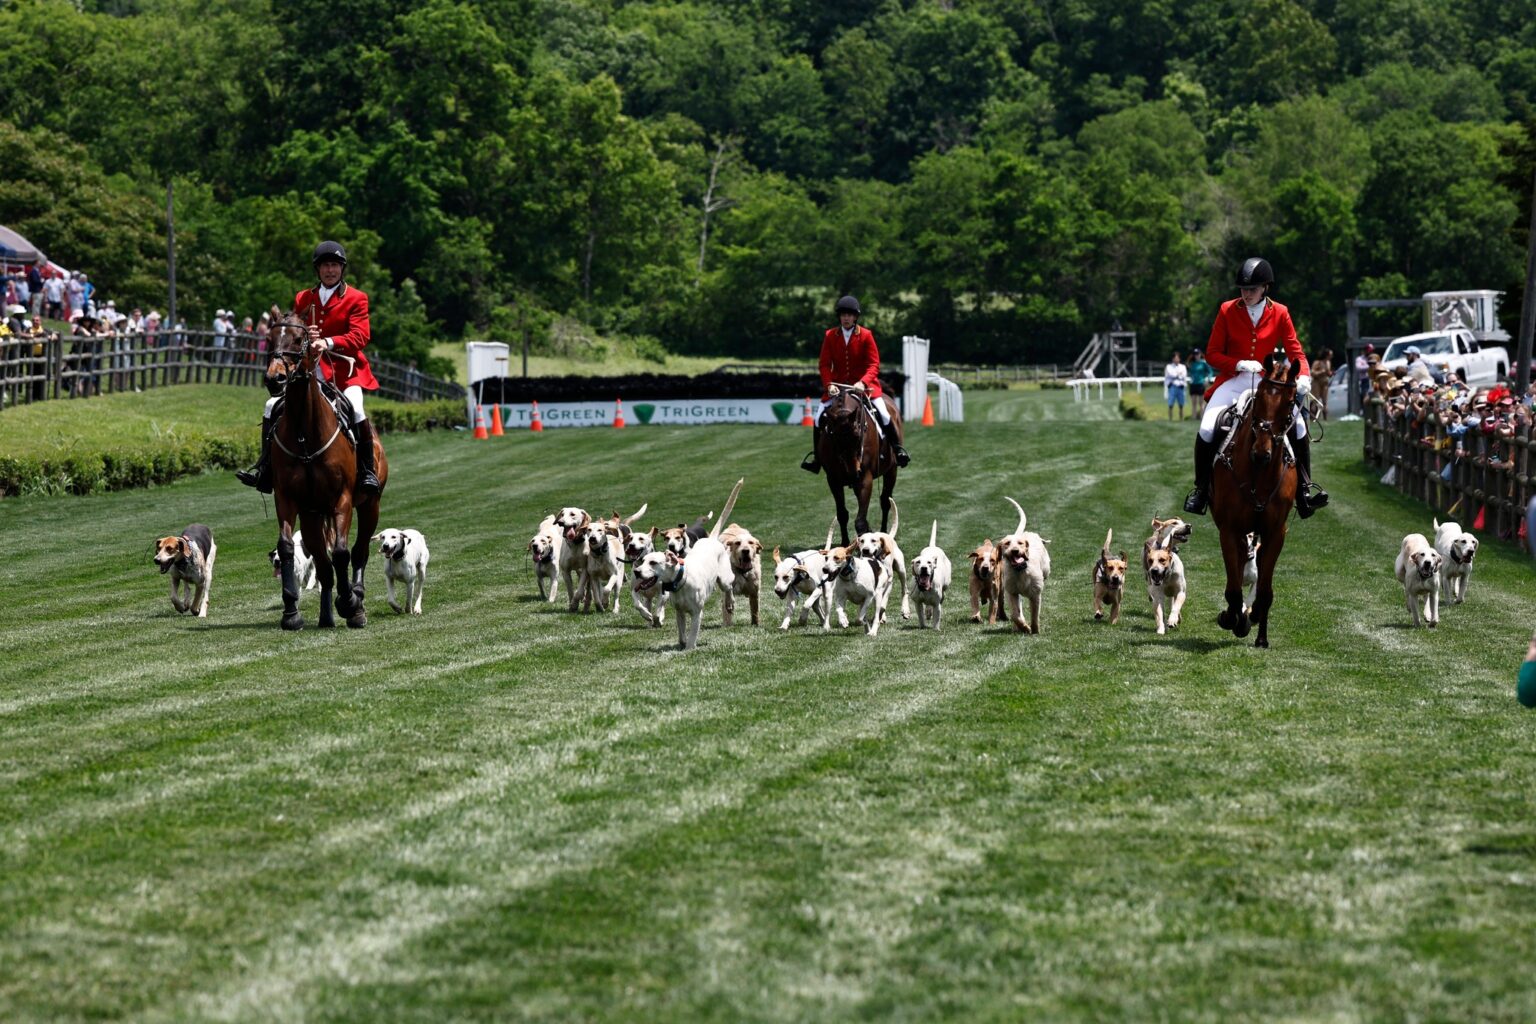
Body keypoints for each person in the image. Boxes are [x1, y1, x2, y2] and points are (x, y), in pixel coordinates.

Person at [1182, 257, 1329, 518]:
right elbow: (1213, 353)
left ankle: (1304, 491)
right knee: (1206, 427)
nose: (1246, 294)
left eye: (1251, 289)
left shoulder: (1280, 312)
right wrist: (1238, 363)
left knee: (1299, 426)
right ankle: (1201, 491)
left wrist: (1303, 375)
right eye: (1242, 289)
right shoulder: (1227, 309)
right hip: (1234, 380)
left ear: (1265, 288)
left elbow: (1296, 352)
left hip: (1267, 383)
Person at [238, 240, 381, 494]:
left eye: (335, 266)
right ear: (318, 269)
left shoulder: (357, 298)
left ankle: (368, 472)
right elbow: (294, 328)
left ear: (342, 269)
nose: (330, 270)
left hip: (346, 373)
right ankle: (265, 470)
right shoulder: (304, 297)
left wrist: (328, 341)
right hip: (310, 369)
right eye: (325, 266)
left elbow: (361, 336)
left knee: (357, 410)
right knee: (272, 406)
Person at [800, 295, 909, 474]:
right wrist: (829, 385)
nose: (846, 318)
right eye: (843, 314)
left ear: (856, 317)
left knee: (884, 414)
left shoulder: (866, 335)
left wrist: (863, 382)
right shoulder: (830, 335)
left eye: (850, 315)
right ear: (839, 317)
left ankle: (898, 450)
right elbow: (824, 364)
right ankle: (817, 459)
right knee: (818, 417)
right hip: (837, 389)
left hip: (864, 388)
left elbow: (874, 364)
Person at [1163, 351, 1188, 420]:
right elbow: (1171, 374)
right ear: (1173, 359)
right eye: (1175, 358)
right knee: (1170, 404)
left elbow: (1184, 375)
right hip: (1172, 387)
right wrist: (1178, 374)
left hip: (1180, 387)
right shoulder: (1169, 366)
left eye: (1178, 358)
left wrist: (1176, 375)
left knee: (1181, 404)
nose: (1176, 360)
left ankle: (1181, 419)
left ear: (1179, 359)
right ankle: (1170, 419)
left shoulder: (1183, 367)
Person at [1188, 348, 1213, 415]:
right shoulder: (1192, 363)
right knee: (1193, 403)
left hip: (1201, 384)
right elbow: (1189, 370)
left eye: (1197, 354)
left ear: (1200, 354)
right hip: (1193, 384)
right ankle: (1194, 417)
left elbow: (1210, 372)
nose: (1196, 355)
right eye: (1195, 354)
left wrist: (1208, 379)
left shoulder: (1203, 363)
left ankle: (1202, 417)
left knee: (1201, 403)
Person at [1311, 348, 1333, 421]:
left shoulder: (1328, 362)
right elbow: (1312, 372)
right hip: (1316, 382)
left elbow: (1328, 372)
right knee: (1316, 400)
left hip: (1325, 383)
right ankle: (1313, 417)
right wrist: (1322, 372)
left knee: (1325, 401)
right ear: (1326, 355)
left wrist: (1330, 373)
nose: (1331, 356)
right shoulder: (1317, 362)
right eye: (1330, 354)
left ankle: (1325, 418)